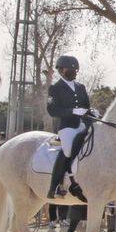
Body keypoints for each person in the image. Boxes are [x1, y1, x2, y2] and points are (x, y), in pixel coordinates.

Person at [46, 54, 94, 200]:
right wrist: (72, 111)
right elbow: (52, 110)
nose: (73, 72)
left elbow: (86, 106)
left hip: (84, 125)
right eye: (70, 70)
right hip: (68, 127)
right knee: (67, 151)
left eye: (75, 70)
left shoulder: (81, 87)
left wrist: (92, 112)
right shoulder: (55, 88)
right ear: (61, 70)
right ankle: (54, 187)